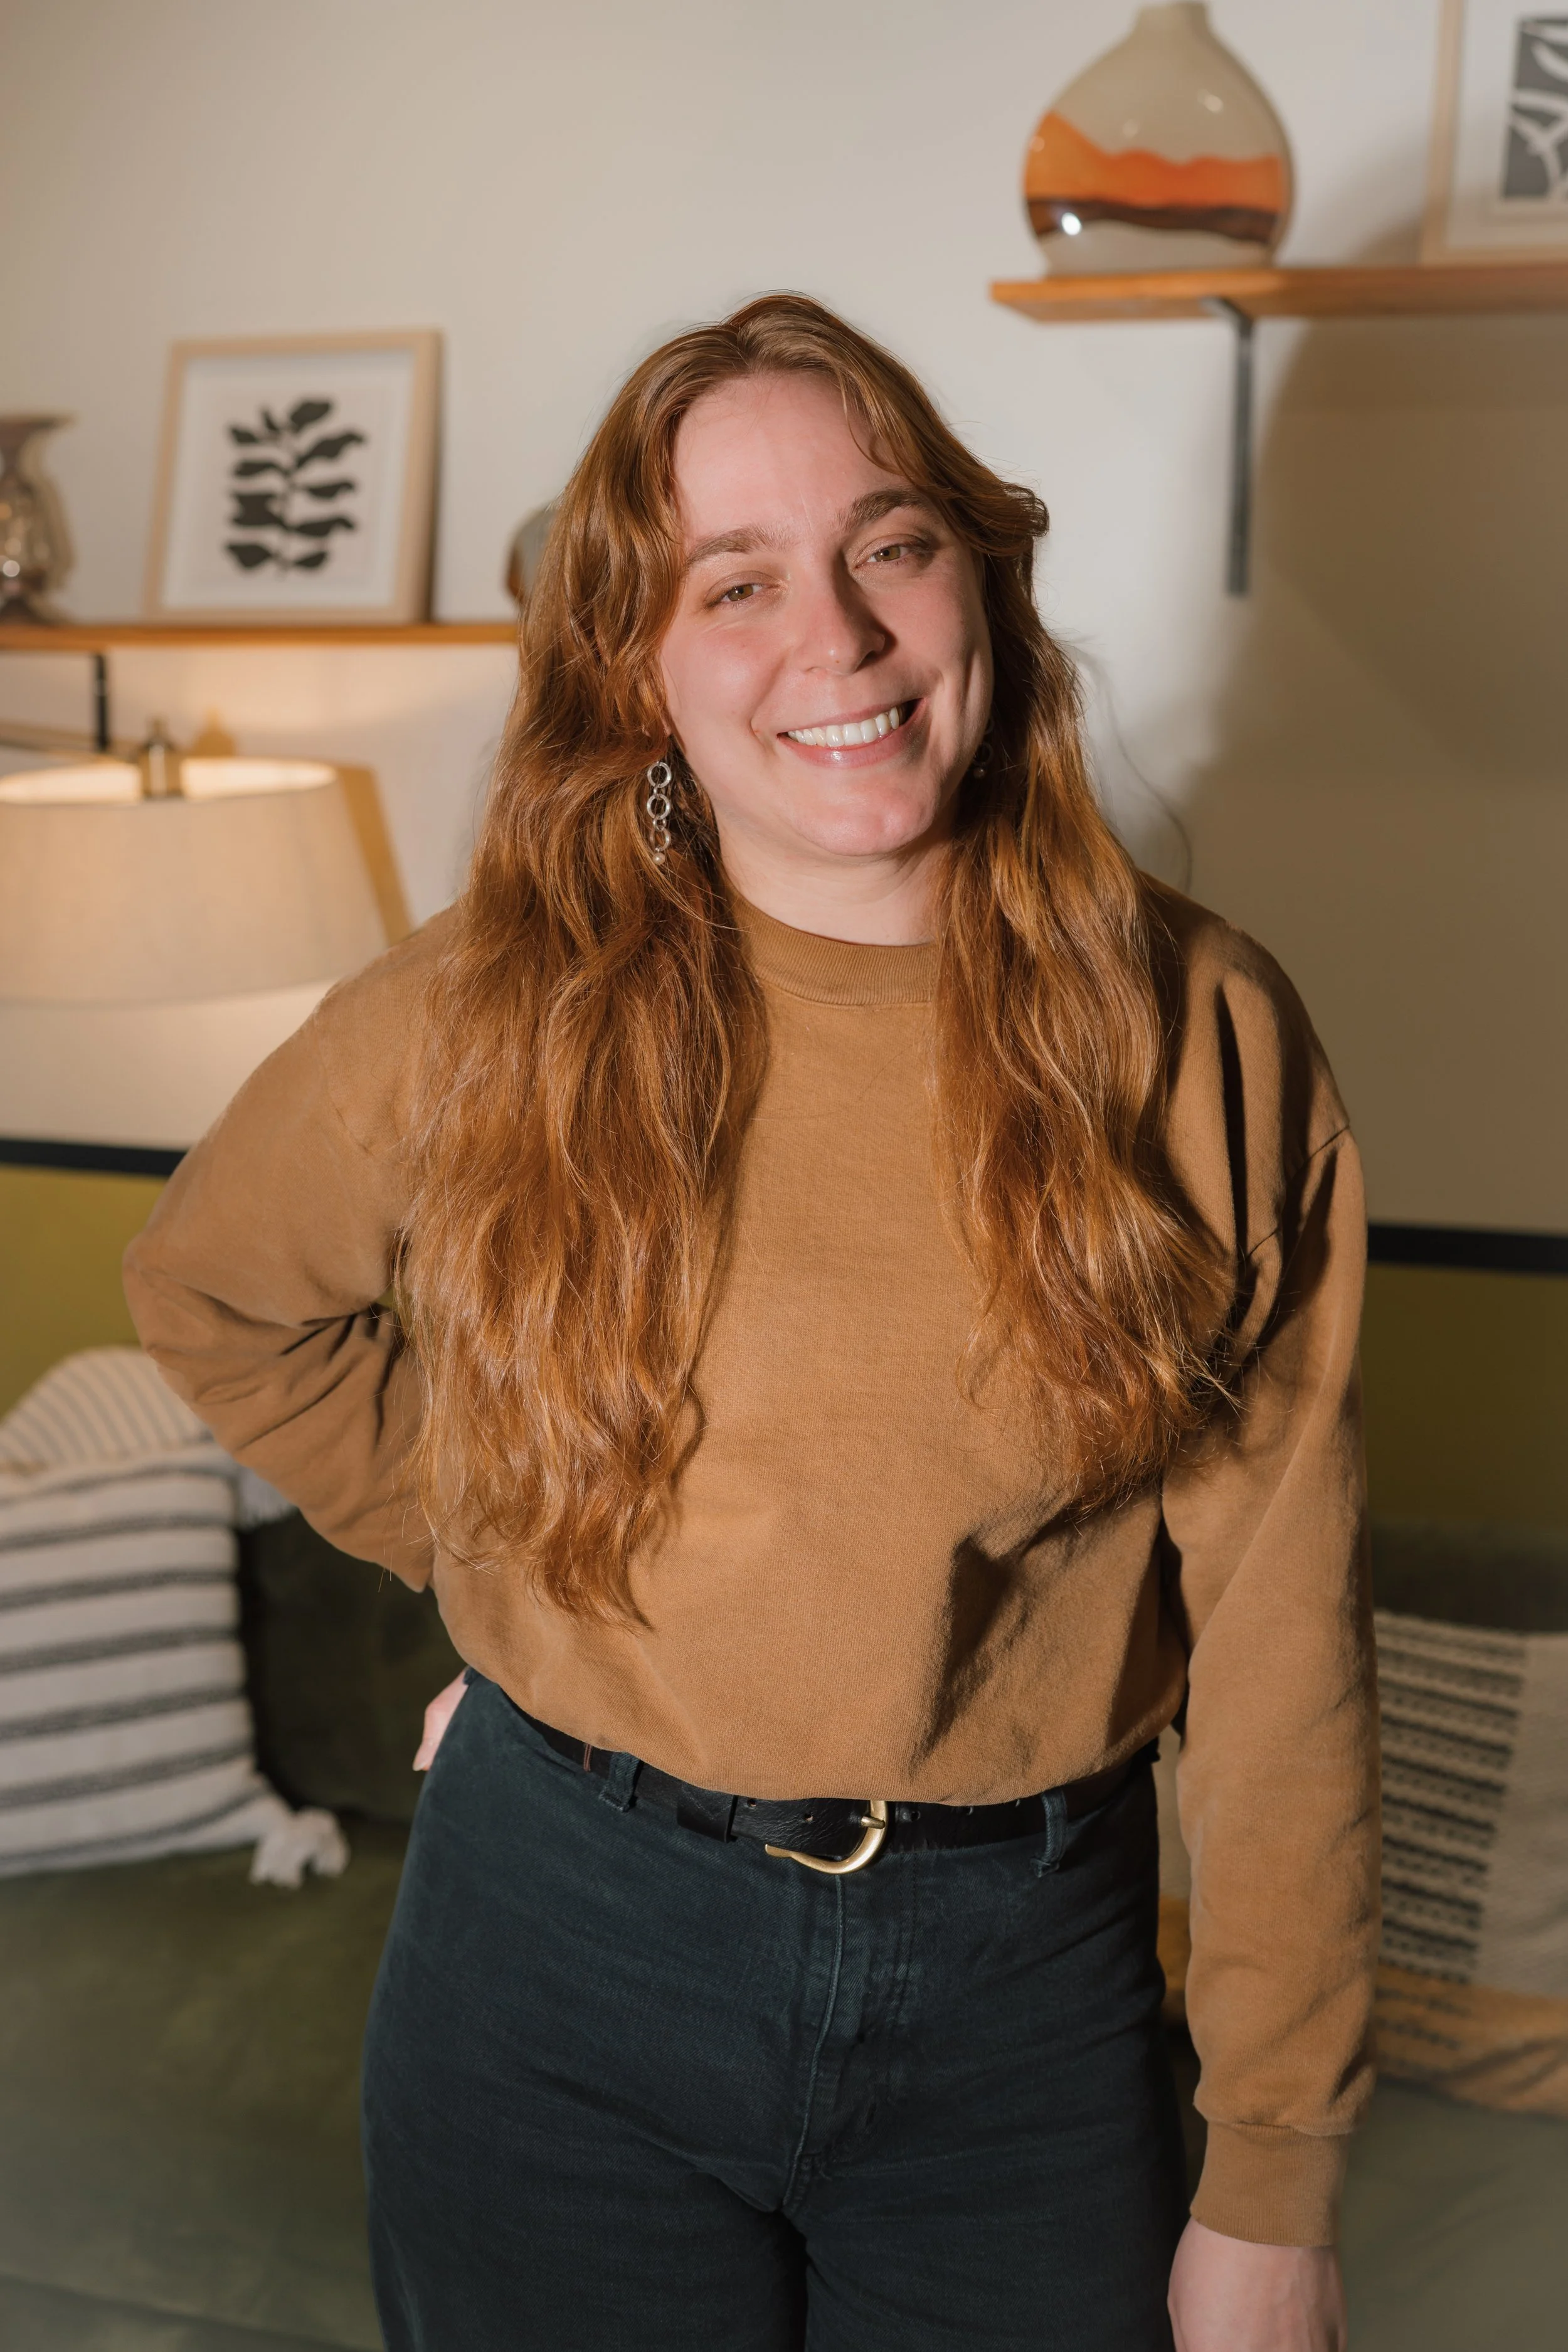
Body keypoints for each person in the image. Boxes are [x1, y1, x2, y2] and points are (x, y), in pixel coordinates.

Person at [125, 294, 1377, 2352]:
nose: (839, 640)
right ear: (642, 662)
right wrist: (509, 1563)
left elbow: (1277, 1640)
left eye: (888, 543)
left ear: (977, 571)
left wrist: (1274, 2176)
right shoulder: (483, 1017)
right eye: (735, 581)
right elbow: (215, 1293)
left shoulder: (1198, 1034)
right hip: (553, 1958)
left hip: (1026, 2000)